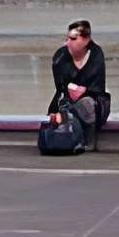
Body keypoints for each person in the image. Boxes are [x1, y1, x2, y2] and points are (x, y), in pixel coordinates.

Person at [49, 19, 109, 148]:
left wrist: (84, 91)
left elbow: (98, 86)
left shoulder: (96, 54)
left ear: (86, 40)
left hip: (93, 102)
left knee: (87, 103)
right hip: (67, 100)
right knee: (63, 109)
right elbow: (60, 86)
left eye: (73, 38)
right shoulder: (61, 55)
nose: (68, 42)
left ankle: (89, 141)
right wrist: (69, 90)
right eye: (68, 38)